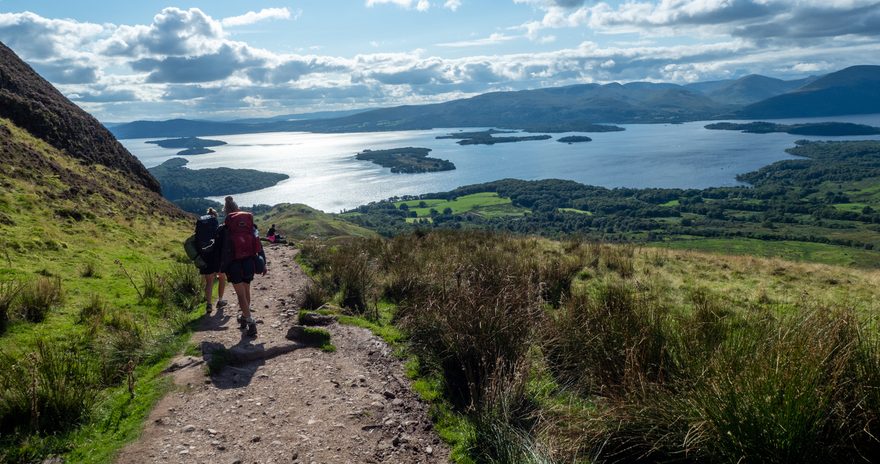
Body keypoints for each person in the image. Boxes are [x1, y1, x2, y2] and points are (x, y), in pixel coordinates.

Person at [218, 196, 267, 337]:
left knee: (240, 294)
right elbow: (259, 244)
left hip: (234, 265)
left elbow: (220, 250)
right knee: (246, 291)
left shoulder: (224, 228)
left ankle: (251, 321)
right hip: (249, 262)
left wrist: (220, 267)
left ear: (226, 212)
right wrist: (263, 262)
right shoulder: (250, 226)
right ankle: (245, 317)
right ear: (237, 208)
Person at [195, 208, 227, 314]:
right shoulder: (214, 224)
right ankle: (220, 300)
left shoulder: (201, 225)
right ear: (215, 216)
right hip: (216, 256)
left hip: (204, 256)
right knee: (222, 277)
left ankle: (209, 305)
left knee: (209, 282)